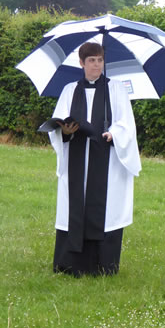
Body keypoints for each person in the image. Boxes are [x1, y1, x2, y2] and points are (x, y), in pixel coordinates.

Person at [48, 42, 141, 277]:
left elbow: (126, 124)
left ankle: (103, 265)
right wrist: (65, 132)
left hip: (106, 159)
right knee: (74, 204)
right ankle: (71, 264)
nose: (96, 65)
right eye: (91, 61)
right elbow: (56, 124)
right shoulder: (70, 90)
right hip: (77, 158)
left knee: (105, 206)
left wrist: (115, 133)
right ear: (81, 63)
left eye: (100, 60)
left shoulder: (117, 89)